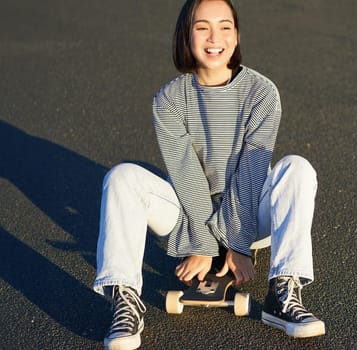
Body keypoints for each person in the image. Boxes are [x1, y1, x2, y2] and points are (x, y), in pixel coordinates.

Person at [92, 0, 326, 348]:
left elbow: (251, 170)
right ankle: (126, 300)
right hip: (188, 213)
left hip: (251, 214)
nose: (214, 37)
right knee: (122, 177)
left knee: (297, 168)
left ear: (236, 36)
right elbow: (186, 175)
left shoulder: (262, 93)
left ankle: (283, 294)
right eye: (202, 27)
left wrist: (237, 242)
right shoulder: (169, 100)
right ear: (185, 36)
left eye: (224, 26)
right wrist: (201, 243)